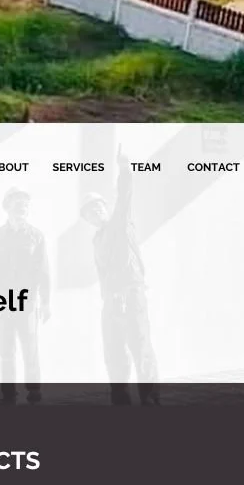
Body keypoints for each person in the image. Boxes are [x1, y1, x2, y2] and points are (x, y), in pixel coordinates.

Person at [80, 147, 159, 405]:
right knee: (113, 352)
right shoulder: (96, 239)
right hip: (111, 300)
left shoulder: (120, 223)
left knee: (140, 347)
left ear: (105, 207)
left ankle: (150, 402)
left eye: (97, 208)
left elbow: (124, 195)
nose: (95, 213)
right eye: (89, 212)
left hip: (131, 294)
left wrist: (124, 168)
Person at [0, 187, 51, 404]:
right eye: (18, 202)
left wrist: (46, 302)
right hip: (2, 304)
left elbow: (44, 272)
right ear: (7, 207)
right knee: (6, 352)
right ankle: (8, 396)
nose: (23, 207)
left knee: (30, 350)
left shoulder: (36, 236)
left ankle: (34, 393)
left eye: (26, 204)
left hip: (27, 304)